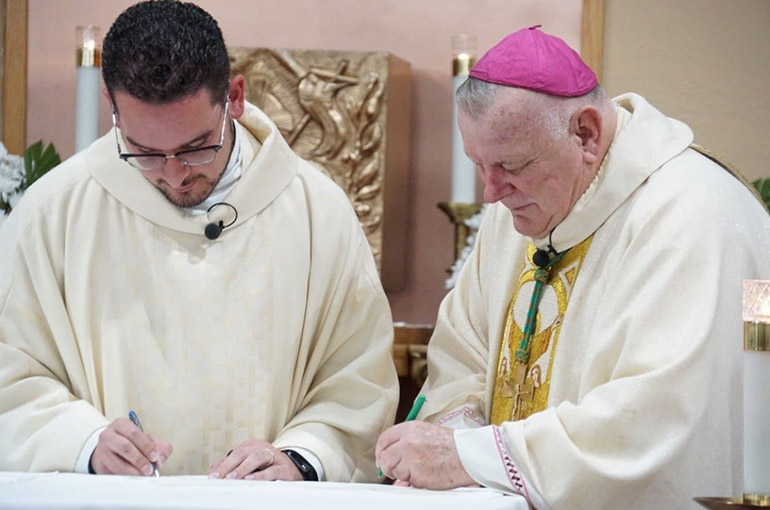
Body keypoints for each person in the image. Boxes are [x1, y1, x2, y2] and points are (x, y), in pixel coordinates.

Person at [0, 0, 398, 482]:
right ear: (114, 109)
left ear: (234, 96)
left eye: (195, 147)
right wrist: (81, 442)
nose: (175, 174)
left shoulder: (319, 213)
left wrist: (300, 457)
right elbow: (10, 371)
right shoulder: (53, 213)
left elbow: (358, 379)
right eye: (145, 152)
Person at [376, 26, 770, 509]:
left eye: (510, 165)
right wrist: (460, 431)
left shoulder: (696, 217)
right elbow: (462, 351)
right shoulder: (514, 213)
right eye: (479, 165)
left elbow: (657, 421)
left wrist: (473, 458)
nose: (490, 193)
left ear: (586, 133)